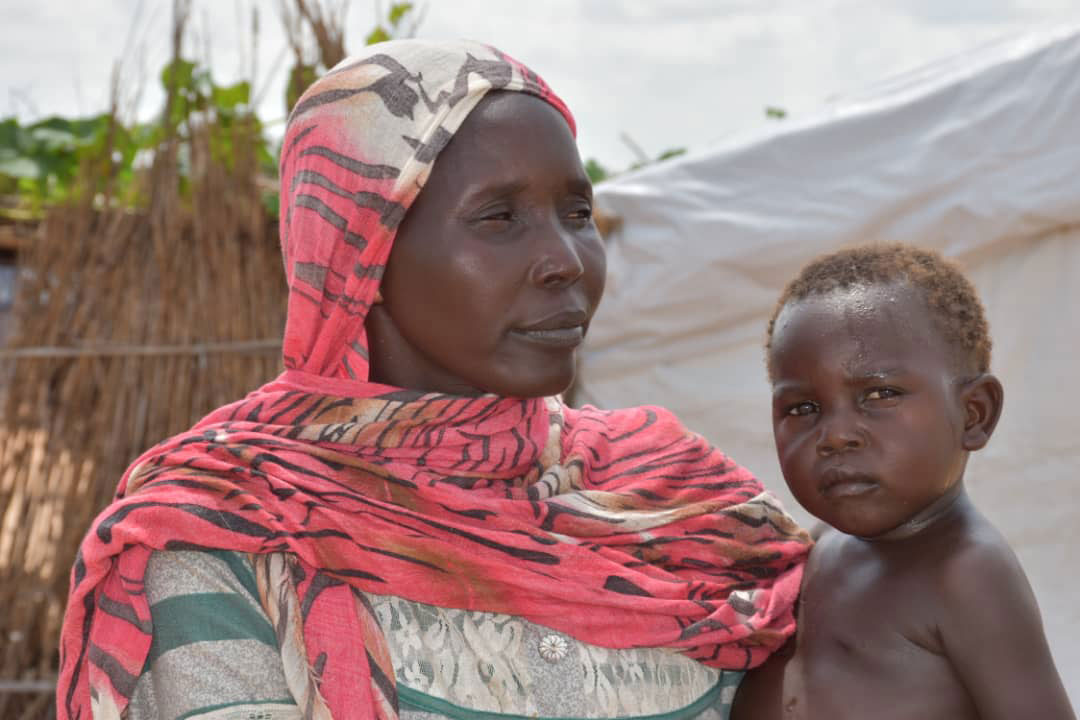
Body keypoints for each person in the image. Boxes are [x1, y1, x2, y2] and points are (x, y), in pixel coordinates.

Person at [57, 40, 810, 720]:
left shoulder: (679, 502)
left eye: (576, 211)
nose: (568, 260)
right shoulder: (224, 534)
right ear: (362, 253)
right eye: (499, 218)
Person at [732, 244, 1076, 719]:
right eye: (802, 408)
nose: (835, 436)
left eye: (880, 394)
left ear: (974, 414)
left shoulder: (967, 573)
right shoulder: (820, 547)